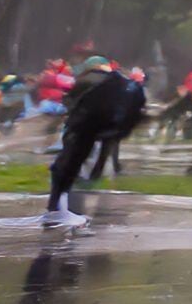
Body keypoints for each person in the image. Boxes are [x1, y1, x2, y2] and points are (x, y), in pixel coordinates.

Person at [42, 57, 148, 226]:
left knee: (68, 166)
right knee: (80, 165)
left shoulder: (87, 80)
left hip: (83, 128)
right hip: (104, 130)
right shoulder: (119, 83)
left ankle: (56, 209)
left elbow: (71, 102)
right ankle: (63, 208)